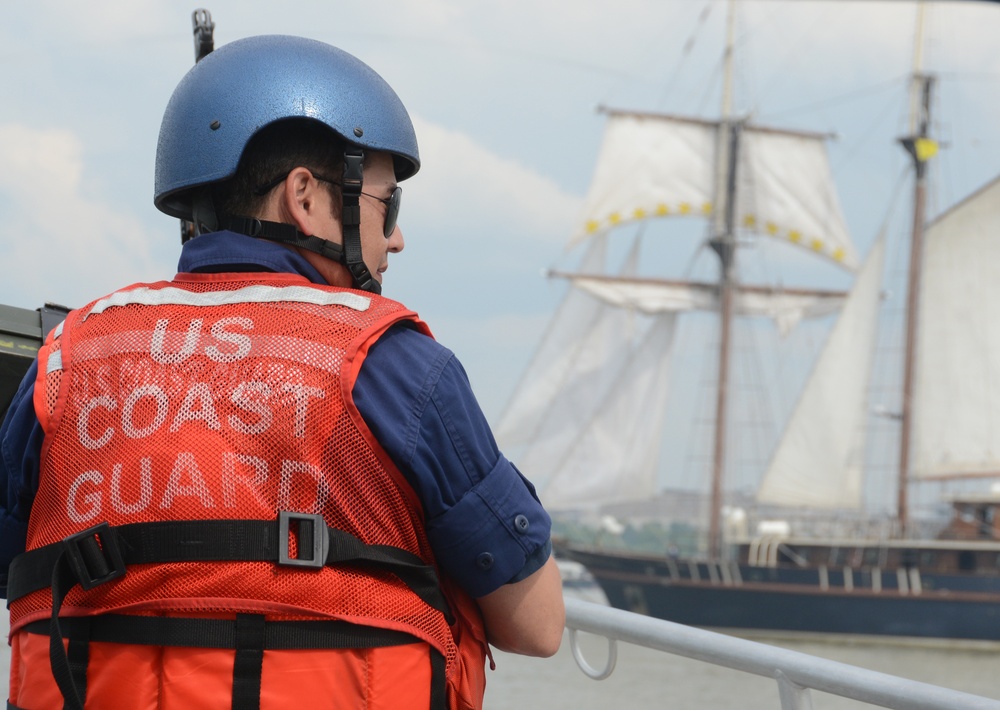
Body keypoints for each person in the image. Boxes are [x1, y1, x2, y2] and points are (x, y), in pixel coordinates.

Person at [0, 35, 563, 710]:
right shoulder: (399, 365)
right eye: (388, 204)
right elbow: (538, 625)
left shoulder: (67, 356)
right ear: (304, 195)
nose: (397, 241)